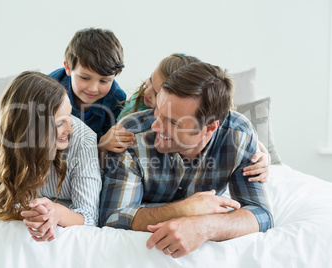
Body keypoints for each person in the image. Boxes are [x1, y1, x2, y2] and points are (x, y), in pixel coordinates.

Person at [99, 62, 273, 258]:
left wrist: (205, 226)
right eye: (158, 111)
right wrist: (186, 209)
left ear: (209, 128)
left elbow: (261, 214)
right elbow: (112, 217)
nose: (156, 126)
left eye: (173, 122)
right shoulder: (130, 134)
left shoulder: (238, 135)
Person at [101, 53, 269, 181]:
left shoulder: (220, 126)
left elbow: (246, 142)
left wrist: (263, 156)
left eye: (158, 92)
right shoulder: (132, 113)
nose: (147, 92)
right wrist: (102, 145)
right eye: (150, 80)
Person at [0, 71, 101, 242]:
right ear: (31, 131)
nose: (70, 129)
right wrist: (36, 214)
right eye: (60, 123)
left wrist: (57, 213)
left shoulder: (83, 140)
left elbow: (89, 218)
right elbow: (3, 200)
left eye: (70, 116)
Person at [49, 28, 126, 142]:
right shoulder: (49, 89)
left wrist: (102, 143)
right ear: (68, 68)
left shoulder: (116, 99)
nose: (93, 89)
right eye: (84, 78)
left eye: (103, 81)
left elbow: (107, 141)